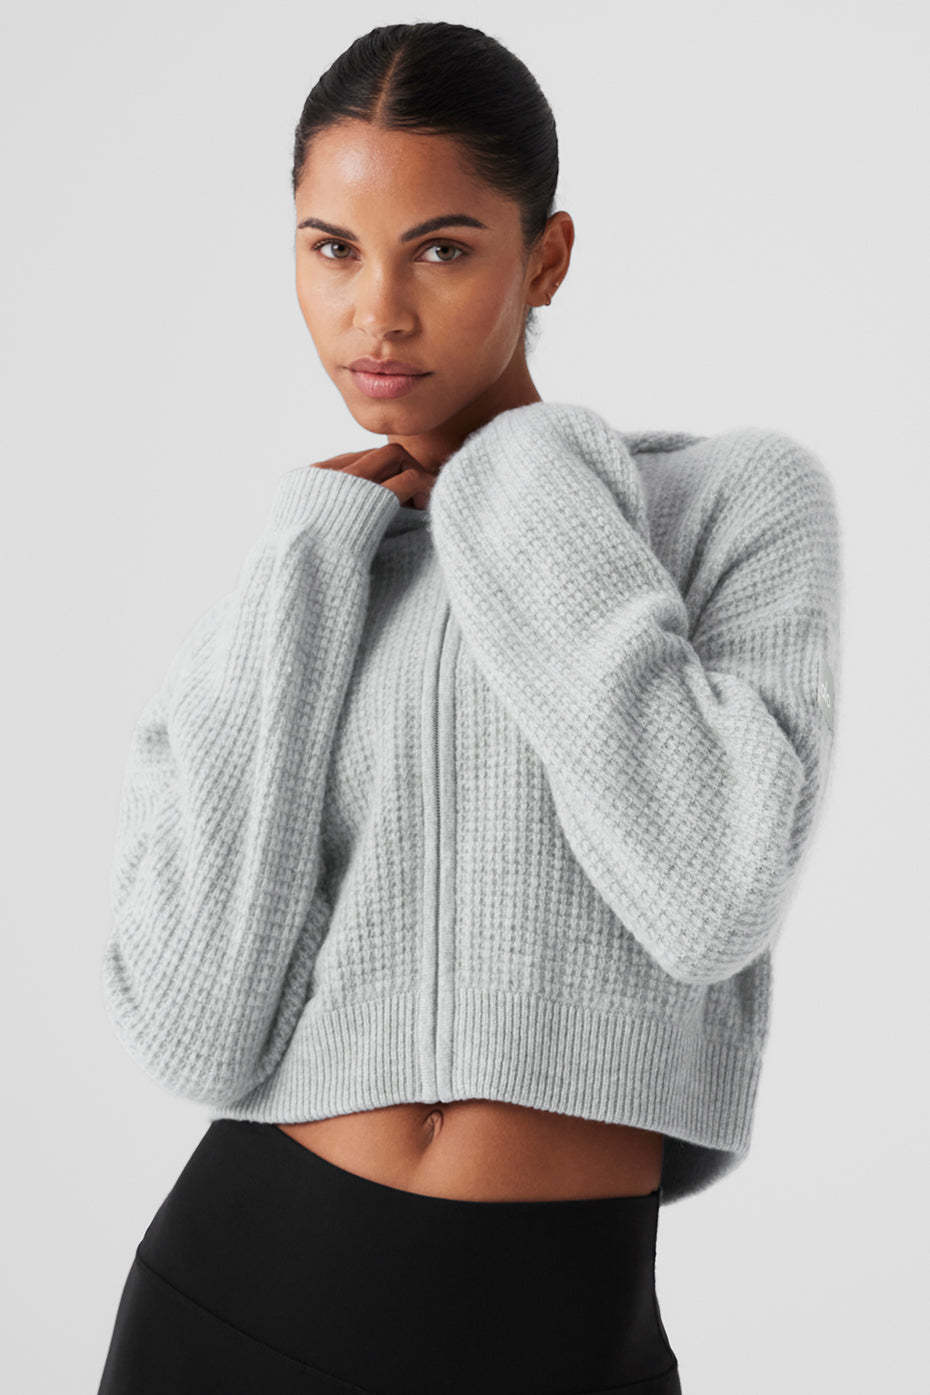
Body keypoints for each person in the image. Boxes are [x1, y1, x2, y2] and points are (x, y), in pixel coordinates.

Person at [96, 20, 841, 1395]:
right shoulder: (308, 571)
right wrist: (308, 559)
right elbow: (199, 1029)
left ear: (544, 258)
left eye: (439, 249)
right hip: (240, 1305)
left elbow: (709, 896)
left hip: (559, 1332)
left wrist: (519, 473)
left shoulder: (723, 507)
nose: (376, 312)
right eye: (333, 249)